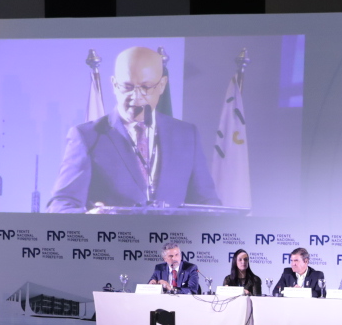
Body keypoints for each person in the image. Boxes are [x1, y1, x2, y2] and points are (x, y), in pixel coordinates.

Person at [44, 46, 220, 213]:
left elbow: (207, 203)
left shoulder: (186, 135)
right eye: (127, 87)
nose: (135, 97)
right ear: (114, 85)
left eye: (145, 87)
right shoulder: (87, 137)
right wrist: (92, 218)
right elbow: (61, 205)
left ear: (162, 85)